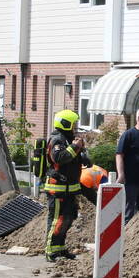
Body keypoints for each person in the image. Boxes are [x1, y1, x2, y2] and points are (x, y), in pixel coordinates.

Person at [39, 110, 91, 262]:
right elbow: (59, 158)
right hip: (57, 190)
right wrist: (75, 147)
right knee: (57, 220)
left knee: (68, 218)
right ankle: (50, 251)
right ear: (66, 124)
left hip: (70, 189)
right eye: (73, 123)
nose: (75, 126)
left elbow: (75, 158)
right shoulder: (57, 139)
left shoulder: (69, 139)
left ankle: (60, 248)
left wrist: (83, 155)